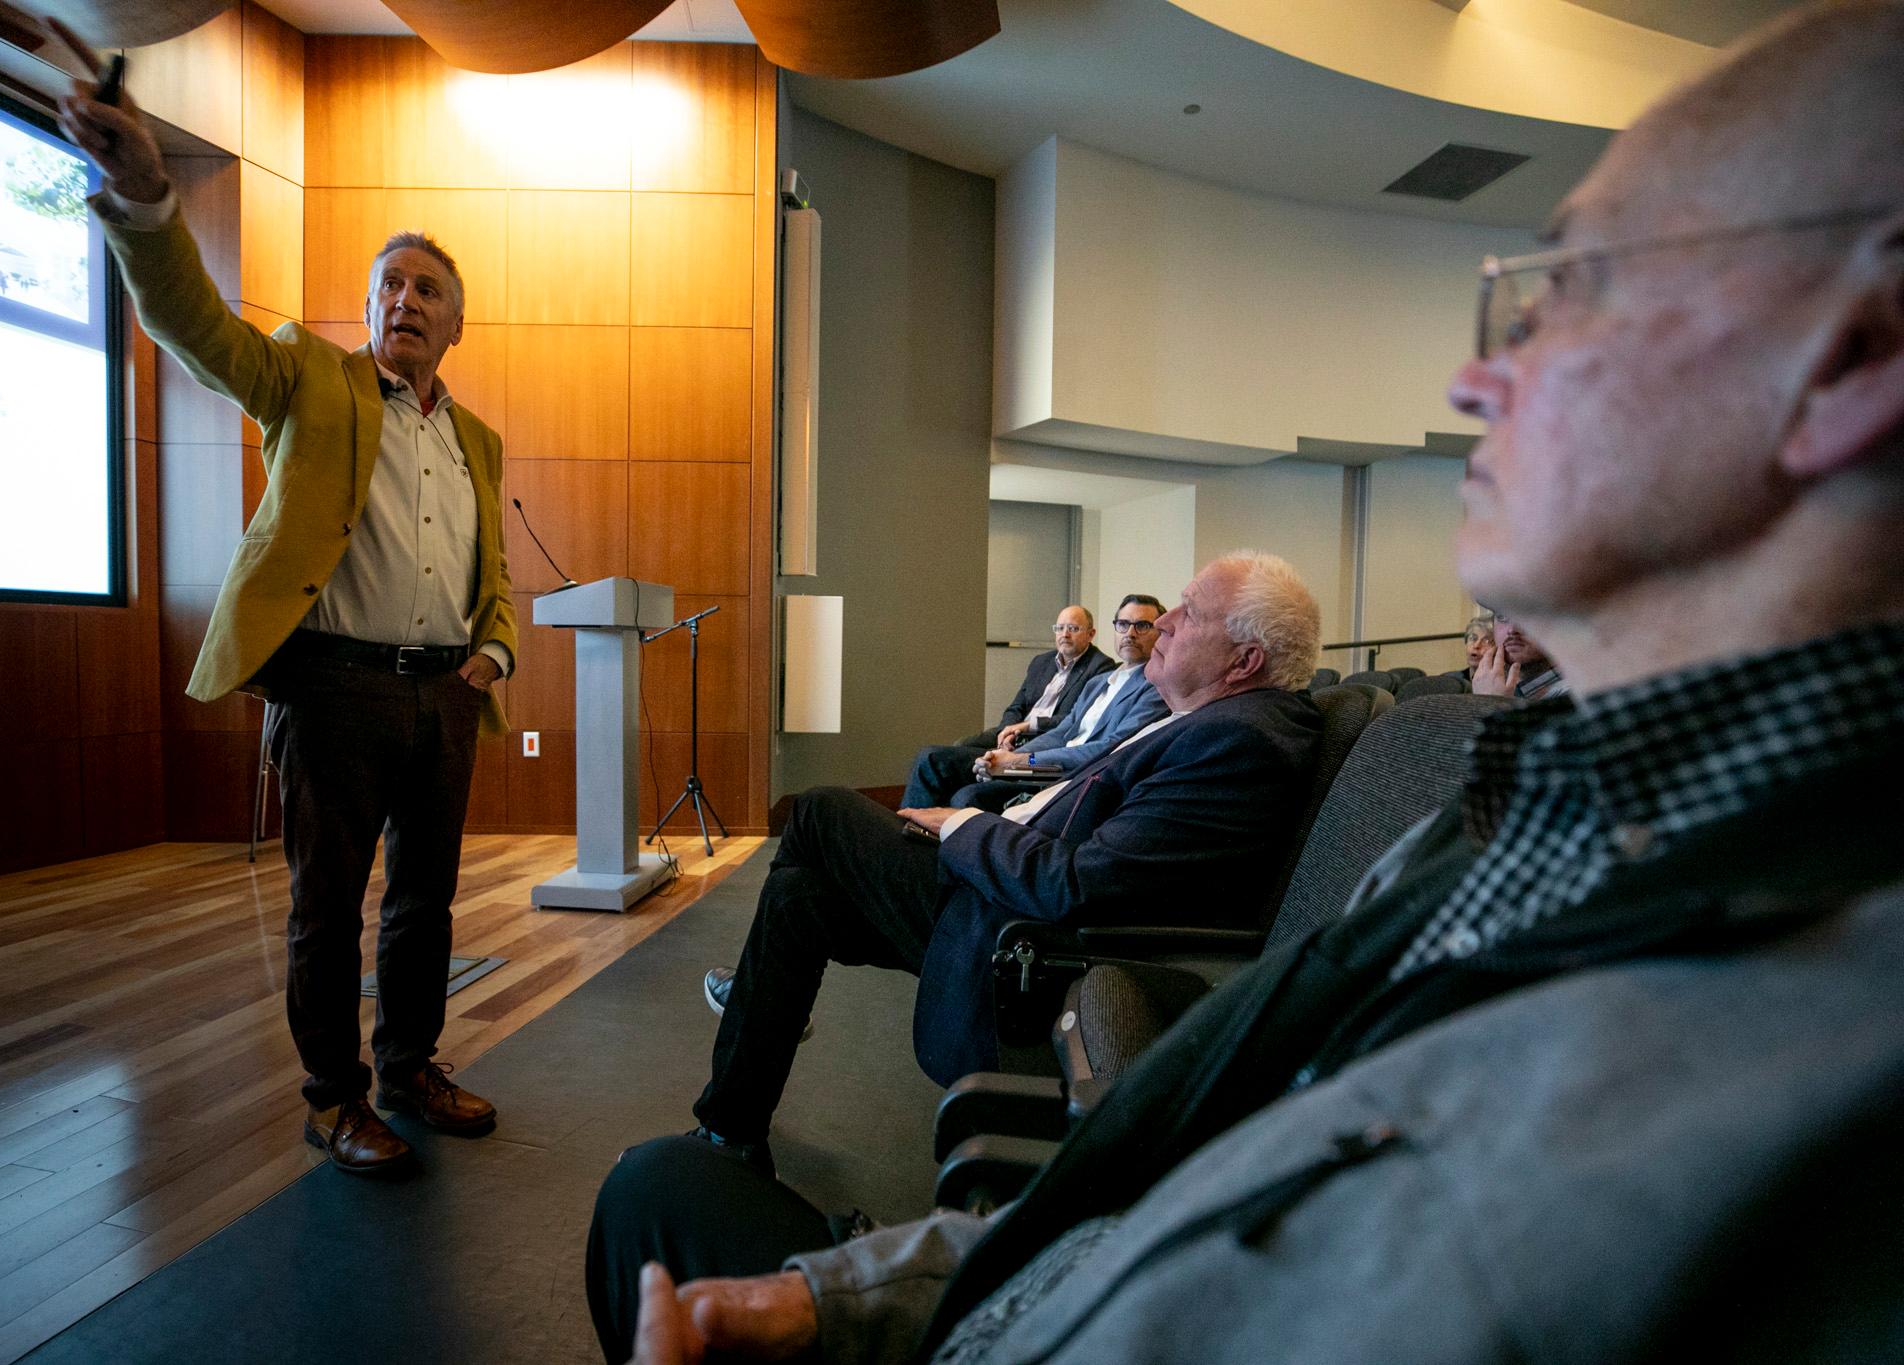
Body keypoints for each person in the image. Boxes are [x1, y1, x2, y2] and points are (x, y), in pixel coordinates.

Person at [590, 3, 1904, 1358]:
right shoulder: (1521, 818)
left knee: (659, 1184)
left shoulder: (1805, 1094)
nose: (1475, 375)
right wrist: (845, 1295)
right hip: (1025, 1293)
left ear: (1857, 355)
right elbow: (1182, 1201)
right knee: (664, 1186)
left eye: (1573, 286)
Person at [55, 39, 515, 1177]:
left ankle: (409, 1068)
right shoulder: (308, 378)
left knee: (424, 905)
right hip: (333, 688)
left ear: (457, 324)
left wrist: (494, 651)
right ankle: (333, 1099)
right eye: (390, 287)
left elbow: (490, 570)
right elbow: (196, 329)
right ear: (368, 310)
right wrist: (149, 198)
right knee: (326, 909)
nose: (405, 301)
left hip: (442, 698)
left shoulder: (478, 442)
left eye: (428, 291)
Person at [687, 553, 1321, 1162]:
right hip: (1001, 890)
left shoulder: (1238, 742)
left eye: (1191, 612)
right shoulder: (1212, 722)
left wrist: (965, 824)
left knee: (821, 810)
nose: (1167, 622)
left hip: (1016, 930)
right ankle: (729, 1130)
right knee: (801, 900)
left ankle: (738, 1052)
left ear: (1244, 661)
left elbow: (1079, 883)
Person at [902, 596, 1165, 809]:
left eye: (1142, 626)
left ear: (1160, 633)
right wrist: (1010, 757)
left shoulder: (1155, 685)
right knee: (934, 759)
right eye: (1123, 624)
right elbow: (1063, 731)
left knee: (967, 796)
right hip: (1041, 761)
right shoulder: (1101, 681)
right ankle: (913, 843)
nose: (1130, 633)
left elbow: (1108, 749)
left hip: (1071, 775)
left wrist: (1023, 761)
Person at [961, 605, 1115, 751]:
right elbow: (1016, 707)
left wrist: (1029, 725)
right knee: (961, 746)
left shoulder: (1101, 666)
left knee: (973, 760)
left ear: (1091, 634)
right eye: (1059, 628)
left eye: (1073, 629)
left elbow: (1077, 718)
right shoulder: (1041, 662)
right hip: (1016, 732)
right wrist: (1007, 732)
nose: (1065, 634)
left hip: (1048, 739)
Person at [1470, 609, 1566, 699]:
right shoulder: (1492, 686)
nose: (1511, 630)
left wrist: (1491, 703)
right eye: (1502, 616)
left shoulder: (1574, 695)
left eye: (1528, 616)